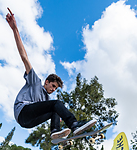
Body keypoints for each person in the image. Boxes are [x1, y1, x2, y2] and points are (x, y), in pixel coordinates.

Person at [6, 8, 96, 139]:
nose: (53, 89)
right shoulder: (35, 81)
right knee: (56, 104)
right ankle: (74, 125)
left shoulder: (47, 100)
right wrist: (15, 29)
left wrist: (58, 118)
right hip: (22, 112)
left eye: (55, 88)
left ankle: (55, 132)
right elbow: (24, 57)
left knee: (55, 108)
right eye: (53, 86)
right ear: (46, 82)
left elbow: (52, 110)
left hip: (28, 123)